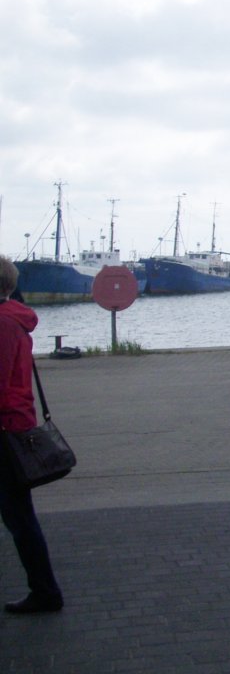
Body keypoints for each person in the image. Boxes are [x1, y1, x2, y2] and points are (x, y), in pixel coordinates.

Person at [0, 256, 63, 614]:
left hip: (7, 429)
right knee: (17, 514)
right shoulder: (13, 320)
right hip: (14, 423)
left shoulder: (4, 324)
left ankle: (45, 591)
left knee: (18, 516)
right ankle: (45, 590)